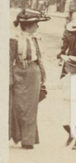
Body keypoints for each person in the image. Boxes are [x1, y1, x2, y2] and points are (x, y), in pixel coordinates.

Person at [10, 9, 47, 149]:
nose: (37, 26)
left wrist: (43, 75)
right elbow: (8, 60)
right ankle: (17, 135)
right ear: (28, 25)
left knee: (31, 108)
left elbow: (39, 59)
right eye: (36, 24)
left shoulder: (35, 39)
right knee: (18, 106)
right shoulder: (14, 39)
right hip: (18, 72)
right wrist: (9, 79)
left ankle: (28, 140)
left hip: (33, 73)